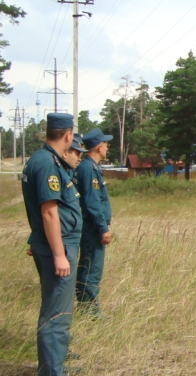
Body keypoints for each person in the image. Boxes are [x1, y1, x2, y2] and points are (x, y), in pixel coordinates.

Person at [21, 113, 84, 376]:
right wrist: (59, 254)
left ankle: (55, 364)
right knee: (57, 312)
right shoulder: (47, 163)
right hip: (57, 246)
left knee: (56, 307)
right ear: (68, 135)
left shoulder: (41, 159)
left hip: (50, 243)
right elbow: (48, 212)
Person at [75, 128, 113, 318]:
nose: (107, 147)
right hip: (92, 228)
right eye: (105, 144)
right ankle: (90, 312)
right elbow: (92, 202)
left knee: (87, 266)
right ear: (99, 147)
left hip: (92, 227)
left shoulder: (90, 167)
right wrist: (103, 227)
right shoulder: (88, 168)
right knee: (91, 268)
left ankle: (86, 307)